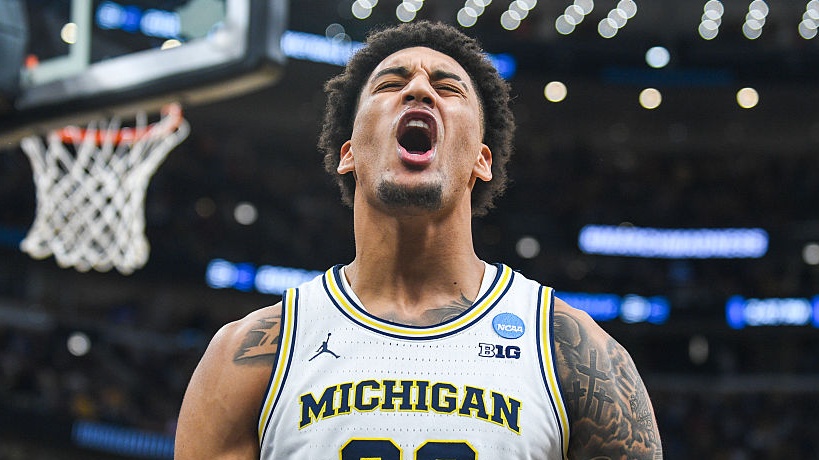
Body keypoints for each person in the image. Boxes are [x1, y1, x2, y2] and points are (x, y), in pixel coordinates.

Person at [175, 20, 663, 459]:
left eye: (448, 89)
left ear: (482, 160)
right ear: (348, 153)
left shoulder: (573, 352)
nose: (419, 90)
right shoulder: (251, 354)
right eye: (390, 84)